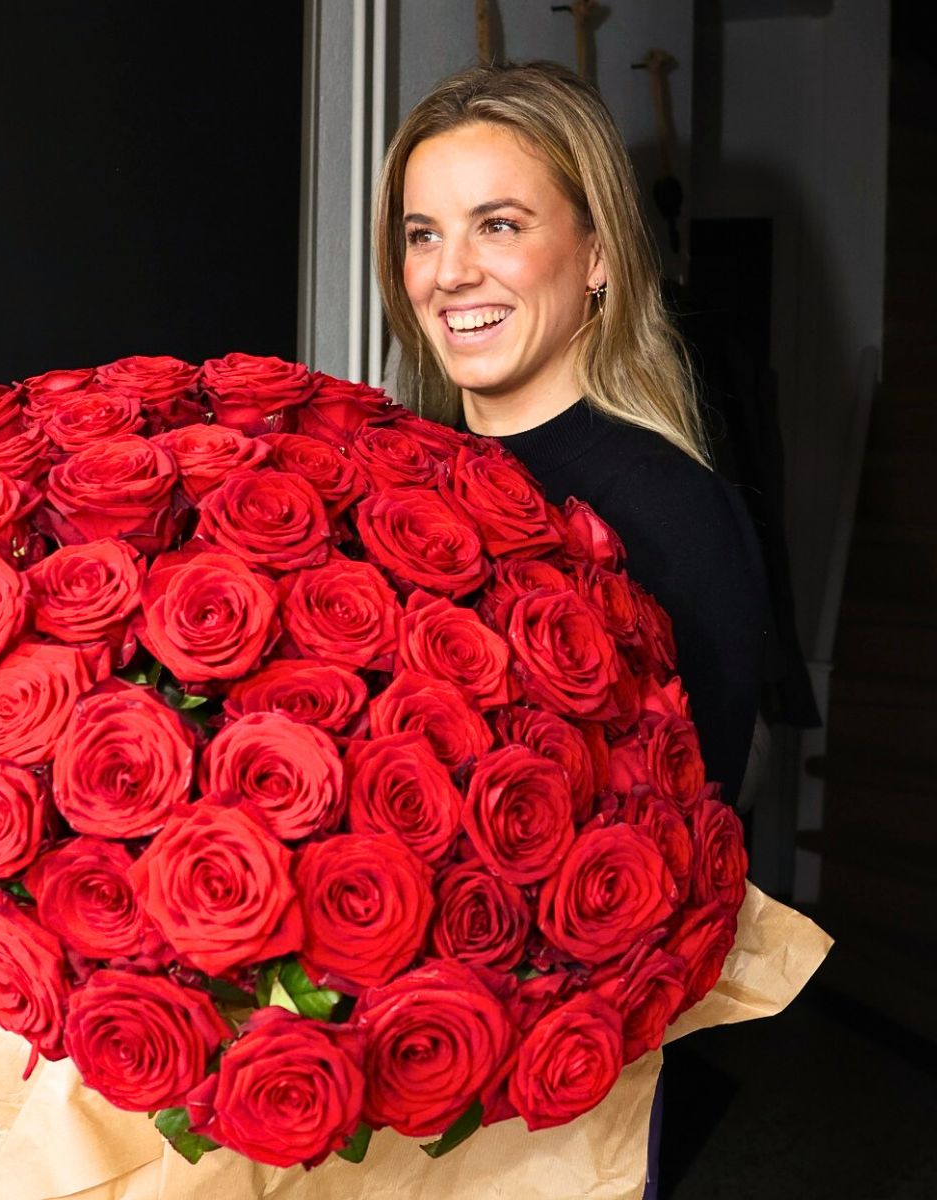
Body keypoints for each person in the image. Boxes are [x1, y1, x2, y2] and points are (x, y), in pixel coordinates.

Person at [373, 60, 770, 1196]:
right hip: (399, 1045)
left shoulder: (670, 513)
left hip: (543, 1086)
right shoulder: (401, 476)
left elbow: (673, 861)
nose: (450, 274)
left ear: (599, 257)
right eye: (421, 233)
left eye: (498, 225)